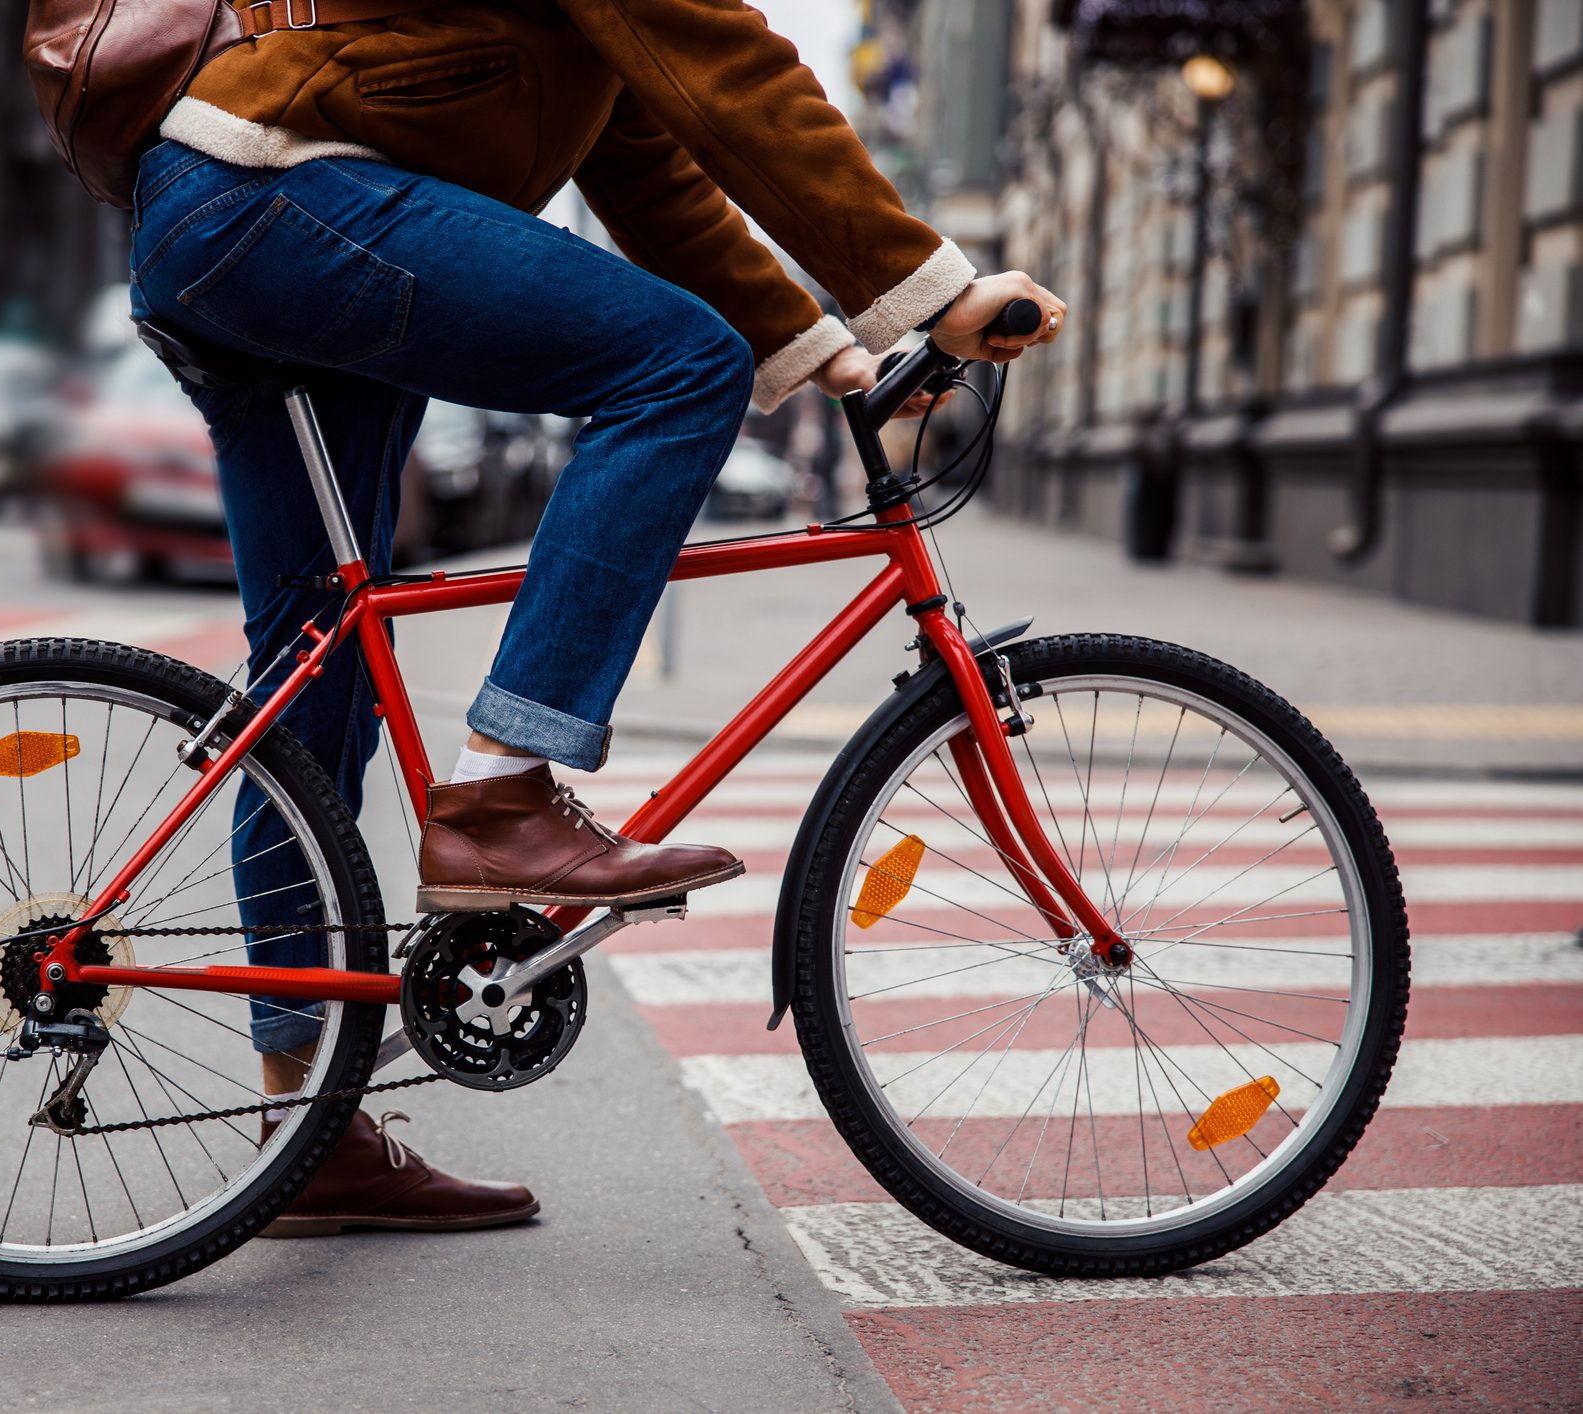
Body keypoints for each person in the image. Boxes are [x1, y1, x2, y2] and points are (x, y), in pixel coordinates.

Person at [127, 0, 1065, 1239]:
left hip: (217, 211)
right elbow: (736, 73)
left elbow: (651, 160)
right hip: (286, 194)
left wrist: (830, 352)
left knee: (315, 679)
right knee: (679, 367)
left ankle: (300, 1127)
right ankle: (501, 798)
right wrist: (927, 287)